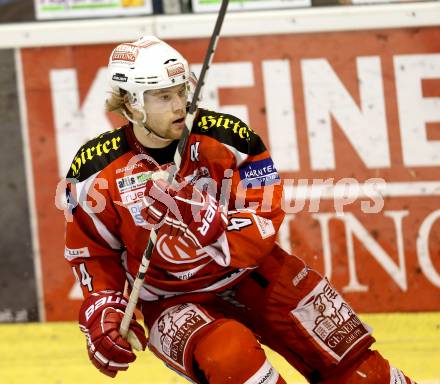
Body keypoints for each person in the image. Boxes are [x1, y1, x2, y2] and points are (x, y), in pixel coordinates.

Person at [64, 35, 415, 383]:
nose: (179, 106)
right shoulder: (94, 169)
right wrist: (103, 308)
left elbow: (264, 222)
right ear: (130, 104)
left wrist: (202, 214)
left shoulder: (230, 139)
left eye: (181, 91)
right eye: (163, 96)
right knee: (231, 358)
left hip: (254, 273)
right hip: (171, 299)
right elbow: (92, 253)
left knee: (363, 373)